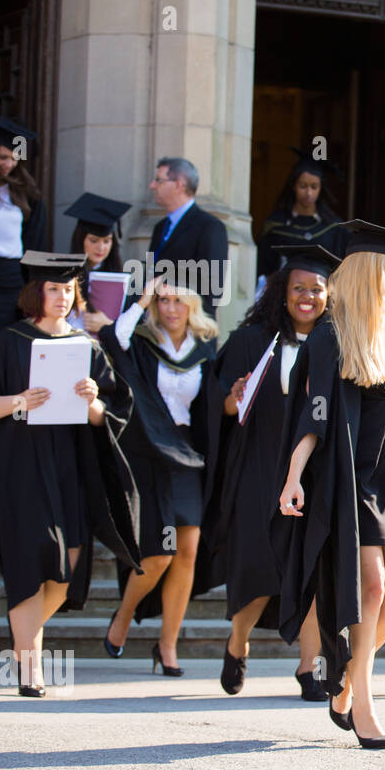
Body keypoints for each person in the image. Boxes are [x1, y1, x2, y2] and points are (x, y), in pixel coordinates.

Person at [276, 220, 385, 749]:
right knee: (369, 588)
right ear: (368, 272)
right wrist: (293, 476)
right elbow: (316, 411)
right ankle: (365, 709)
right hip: (353, 478)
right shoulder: (331, 335)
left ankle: (347, 679)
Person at [0, 252, 139, 696]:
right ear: (35, 293)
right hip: (14, 460)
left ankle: (21, 640)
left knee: (66, 572)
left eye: (69, 290)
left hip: (68, 462)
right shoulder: (5, 342)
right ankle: (31, 670)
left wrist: (92, 402)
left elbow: (112, 416)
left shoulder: (88, 346)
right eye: (53, 289)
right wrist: (19, 401)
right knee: (30, 556)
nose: (62, 297)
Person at [214, 244, 337, 700]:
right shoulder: (251, 341)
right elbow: (221, 408)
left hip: (314, 473)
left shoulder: (334, 344)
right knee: (258, 565)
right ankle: (238, 641)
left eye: (317, 289)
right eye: (298, 289)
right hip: (258, 469)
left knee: (308, 568)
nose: (307, 297)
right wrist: (235, 395)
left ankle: (310, 667)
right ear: (281, 294)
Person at [100, 276, 223, 675]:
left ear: (192, 305)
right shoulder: (142, 342)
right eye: (163, 301)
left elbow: (211, 404)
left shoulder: (205, 348)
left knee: (187, 549)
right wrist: (140, 300)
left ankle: (167, 645)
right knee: (159, 554)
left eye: (178, 301)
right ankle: (123, 616)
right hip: (151, 452)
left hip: (188, 454)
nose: (170, 309)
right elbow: (112, 339)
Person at [0, 116, 50, 340]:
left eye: (15, 158)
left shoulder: (25, 194)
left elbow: (34, 243)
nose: (9, 164)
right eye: (3, 157)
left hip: (15, 280)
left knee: (15, 343)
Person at [254, 147, 349, 287]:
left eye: (314, 187)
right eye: (303, 186)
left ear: (320, 188)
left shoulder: (334, 228)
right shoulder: (276, 225)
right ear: (293, 185)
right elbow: (264, 269)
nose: (308, 193)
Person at [147, 157, 230, 317]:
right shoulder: (160, 228)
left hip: (191, 329)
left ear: (179, 185)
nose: (152, 185)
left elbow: (212, 288)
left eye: (159, 180)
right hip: (157, 326)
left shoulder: (210, 227)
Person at [63, 192, 131, 334]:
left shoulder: (123, 281)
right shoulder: (64, 275)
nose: (101, 248)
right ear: (80, 239)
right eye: (94, 241)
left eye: (107, 241)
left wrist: (108, 325)